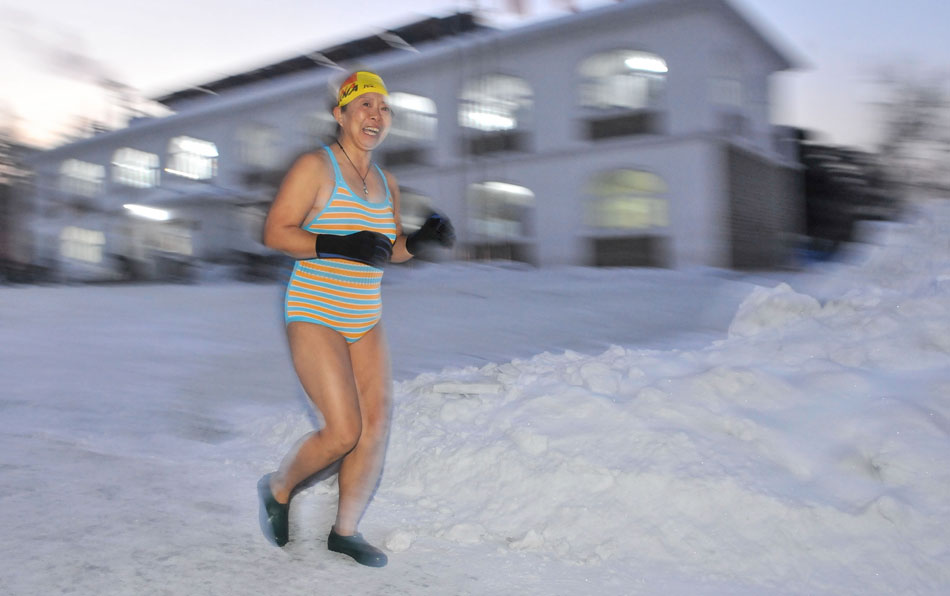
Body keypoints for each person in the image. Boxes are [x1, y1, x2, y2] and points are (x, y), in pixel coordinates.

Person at [257, 71, 455, 567]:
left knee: (374, 424)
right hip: (315, 310)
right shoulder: (315, 167)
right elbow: (275, 233)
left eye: (383, 108)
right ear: (340, 115)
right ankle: (278, 488)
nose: (375, 115)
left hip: (364, 314)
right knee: (343, 430)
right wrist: (334, 243)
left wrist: (420, 241)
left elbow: (384, 252)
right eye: (363, 105)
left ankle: (344, 531)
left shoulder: (385, 182)